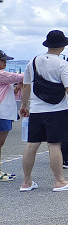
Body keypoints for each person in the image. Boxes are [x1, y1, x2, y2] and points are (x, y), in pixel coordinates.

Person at [19, 30, 68, 191]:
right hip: (57, 110)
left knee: (31, 145)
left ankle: (26, 182)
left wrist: (24, 105)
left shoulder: (33, 62)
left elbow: (26, 86)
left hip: (36, 110)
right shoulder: (62, 64)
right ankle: (59, 181)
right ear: (63, 46)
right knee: (54, 145)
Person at [0, 50, 24, 181]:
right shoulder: (1, 74)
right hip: (2, 113)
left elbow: (10, 92)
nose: (5, 62)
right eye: (2, 60)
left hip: (5, 113)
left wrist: (17, 88)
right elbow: (20, 76)